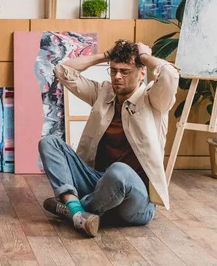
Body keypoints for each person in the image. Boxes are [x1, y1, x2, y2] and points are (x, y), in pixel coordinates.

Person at [39, 39, 179, 237]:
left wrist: (144, 57)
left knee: (119, 172)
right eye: (113, 70)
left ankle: (72, 209)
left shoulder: (154, 99)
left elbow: (170, 75)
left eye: (125, 71)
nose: (117, 77)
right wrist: (104, 55)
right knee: (49, 142)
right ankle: (80, 213)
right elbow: (62, 70)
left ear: (141, 73)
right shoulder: (103, 93)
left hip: (136, 200)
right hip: (98, 184)